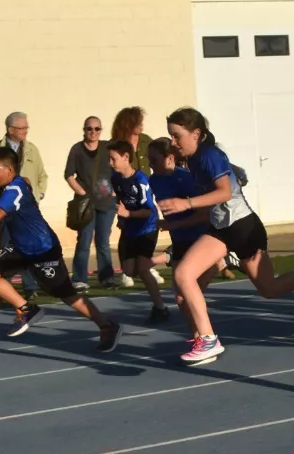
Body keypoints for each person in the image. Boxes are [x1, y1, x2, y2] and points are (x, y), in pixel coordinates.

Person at [156, 107, 294, 366]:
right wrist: (177, 222)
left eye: (177, 136)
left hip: (244, 228)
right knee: (183, 275)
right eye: (171, 136)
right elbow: (210, 208)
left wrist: (186, 203)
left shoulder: (210, 155)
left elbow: (224, 193)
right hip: (222, 229)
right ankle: (206, 338)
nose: (174, 143)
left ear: (196, 133)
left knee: (269, 289)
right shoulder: (192, 160)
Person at [0, 147, 121, 349]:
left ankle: (107, 325)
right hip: (20, 247)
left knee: (67, 295)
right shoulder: (15, 184)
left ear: (9, 170)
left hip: (42, 249)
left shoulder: (14, 190)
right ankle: (27, 309)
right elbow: (25, 182)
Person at [147, 136, 214, 335]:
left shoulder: (185, 179)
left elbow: (204, 215)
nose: (150, 165)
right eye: (148, 160)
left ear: (170, 158)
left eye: (154, 160)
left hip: (200, 240)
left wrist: (174, 223)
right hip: (179, 241)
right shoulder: (154, 180)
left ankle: (204, 337)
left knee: (188, 295)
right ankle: (199, 337)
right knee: (180, 299)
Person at [0, 112, 47, 300]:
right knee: (5, 249)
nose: (26, 131)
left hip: (26, 211)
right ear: (10, 129)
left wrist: (38, 195)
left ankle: (30, 287)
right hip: (4, 210)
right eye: (22, 128)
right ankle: (1, 288)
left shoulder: (32, 150)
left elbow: (42, 176)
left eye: (27, 128)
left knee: (27, 246)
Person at [108, 139, 169, 323]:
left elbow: (148, 210)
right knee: (129, 270)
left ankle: (160, 307)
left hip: (146, 227)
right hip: (130, 228)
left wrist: (128, 213)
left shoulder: (140, 180)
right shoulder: (115, 178)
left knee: (142, 268)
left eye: (112, 159)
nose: (110, 163)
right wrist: (121, 217)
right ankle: (165, 260)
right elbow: (120, 199)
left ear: (126, 157)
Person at [64, 117, 117, 292]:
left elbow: (119, 166)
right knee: (84, 240)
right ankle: (79, 278)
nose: (93, 132)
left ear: (101, 130)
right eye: (89, 129)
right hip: (86, 204)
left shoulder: (107, 147)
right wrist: (82, 193)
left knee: (103, 241)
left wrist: (116, 191)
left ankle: (107, 277)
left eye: (97, 129)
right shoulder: (77, 149)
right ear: (84, 130)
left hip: (107, 202)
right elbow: (69, 175)